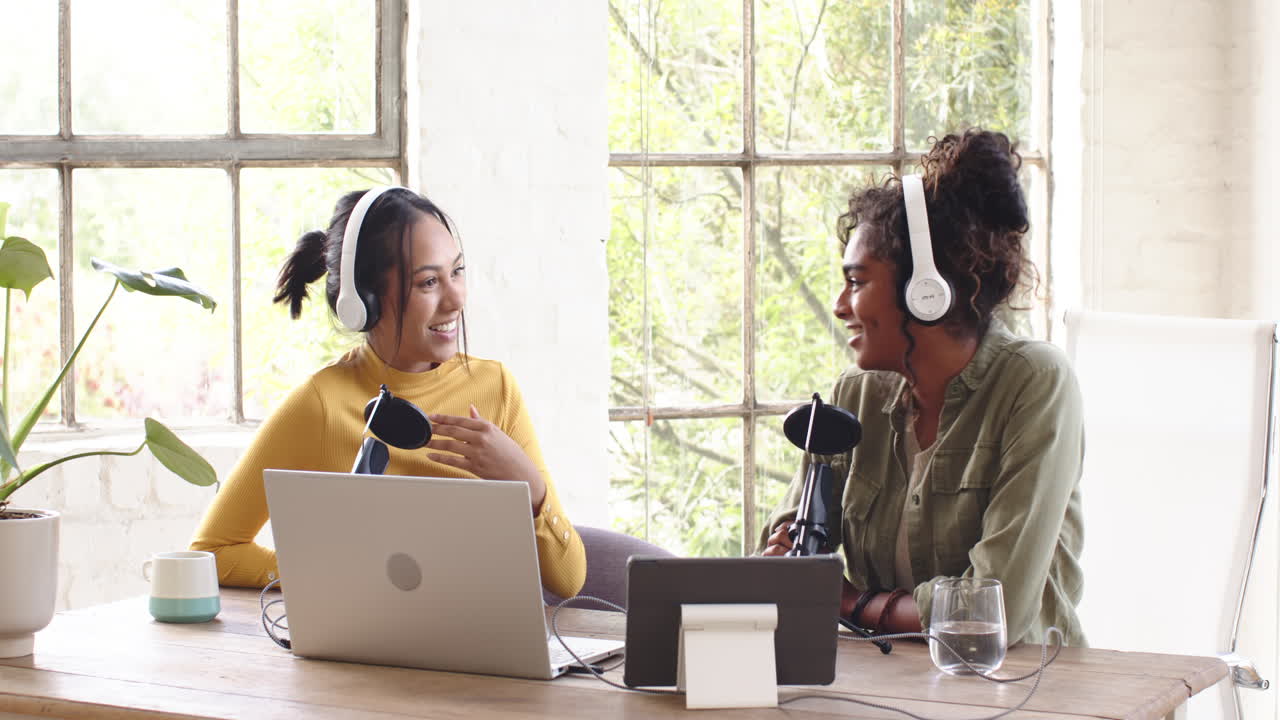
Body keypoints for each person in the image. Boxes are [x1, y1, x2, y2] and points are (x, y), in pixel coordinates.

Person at [759, 129, 1085, 647]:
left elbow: (995, 611)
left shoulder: (1035, 384)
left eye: (858, 281)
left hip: (1023, 691)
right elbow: (792, 559)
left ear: (924, 290)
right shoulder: (854, 395)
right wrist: (781, 560)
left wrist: (853, 605)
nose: (841, 305)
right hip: (884, 687)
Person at [190, 187, 586, 599]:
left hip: (481, 658)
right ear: (366, 301)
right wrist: (331, 571)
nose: (455, 300)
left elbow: (569, 578)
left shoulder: (494, 389)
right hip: (365, 655)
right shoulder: (320, 404)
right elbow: (213, 551)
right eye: (429, 282)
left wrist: (529, 488)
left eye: (457, 272)